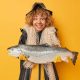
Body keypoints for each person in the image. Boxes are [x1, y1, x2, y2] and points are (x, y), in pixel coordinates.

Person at [18, 2, 61, 80]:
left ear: (47, 20)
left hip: (47, 76)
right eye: (35, 18)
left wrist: (59, 55)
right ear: (31, 20)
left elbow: (57, 48)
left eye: (42, 19)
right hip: (29, 75)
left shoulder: (52, 32)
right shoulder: (26, 33)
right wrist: (20, 55)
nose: (39, 22)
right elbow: (19, 49)